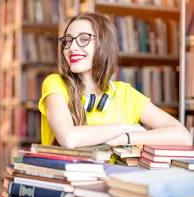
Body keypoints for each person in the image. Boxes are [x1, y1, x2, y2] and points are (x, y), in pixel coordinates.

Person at [38, 12, 192, 148]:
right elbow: (68, 138)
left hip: (116, 179)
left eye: (84, 39)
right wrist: (125, 127)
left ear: (104, 45)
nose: (72, 47)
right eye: (68, 41)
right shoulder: (55, 83)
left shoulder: (125, 94)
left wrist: (127, 138)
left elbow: (183, 136)